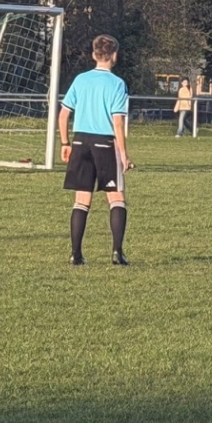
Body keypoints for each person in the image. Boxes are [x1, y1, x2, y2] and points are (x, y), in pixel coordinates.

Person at [58, 35, 133, 266]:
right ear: (114, 55)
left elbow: (63, 114)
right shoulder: (117, 83)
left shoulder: (80, 80)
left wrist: (65, 143)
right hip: (105, 143)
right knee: (116, 197)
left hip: (80, 142)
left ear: (93, 55)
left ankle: (76, 254)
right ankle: (117, 253)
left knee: (82, 199)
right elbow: (117, 122)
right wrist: (123, 154)